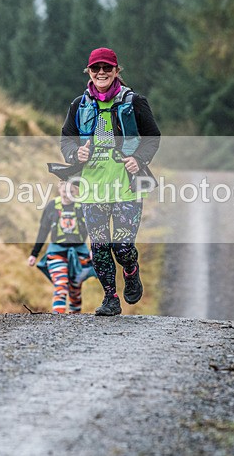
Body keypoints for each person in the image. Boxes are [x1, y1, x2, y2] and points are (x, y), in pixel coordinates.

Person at [60, 47, 161, 316]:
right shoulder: (78, 105)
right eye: (96, 68)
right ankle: (110, 299)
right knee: (100, 247)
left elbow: (153, 136)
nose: (101, 72)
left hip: (126, 187)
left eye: (107, 67)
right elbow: (66, 139)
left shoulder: (134, 102)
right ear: (89, 72)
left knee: (123, 246)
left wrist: (139, 159)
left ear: (117, 71)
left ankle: (131, 270)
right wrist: (75, 154)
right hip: (92, 189)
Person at [27, 180, 94, 314]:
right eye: (64, 191)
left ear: (77, 191)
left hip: (79, 252)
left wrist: (94, 249)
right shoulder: (52, 206)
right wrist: (34, 254)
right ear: (59, 190)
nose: (67, 195)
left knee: (75, 289)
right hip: (56, 252)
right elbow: (43, 230)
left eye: (71, 191)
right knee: (60, 285)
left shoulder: (83, 207)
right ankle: (57, 318)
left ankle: (75, 319)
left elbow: (93, 229)